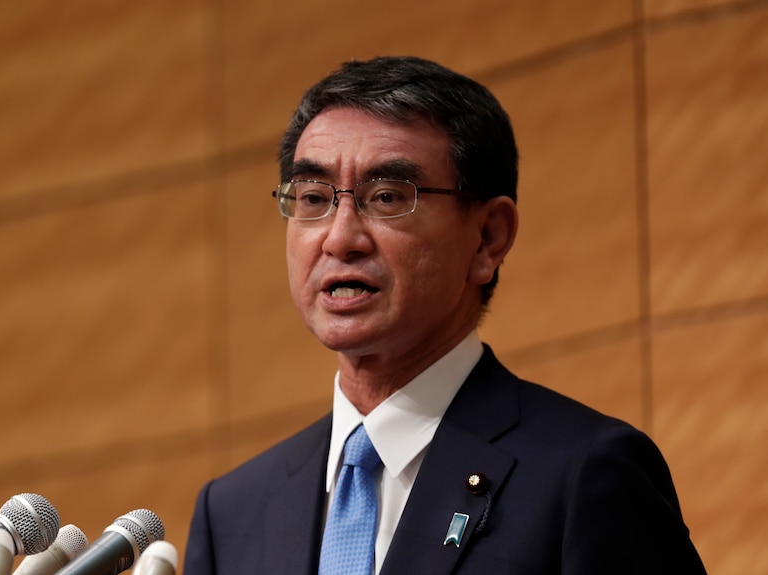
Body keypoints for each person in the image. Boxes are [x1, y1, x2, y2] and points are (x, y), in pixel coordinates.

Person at [184, 56, 706, 574]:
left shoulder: (583, 474)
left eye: (386, 197)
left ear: (487, 238)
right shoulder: (233, 513)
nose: (339, 238)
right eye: (314, 198)